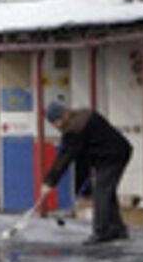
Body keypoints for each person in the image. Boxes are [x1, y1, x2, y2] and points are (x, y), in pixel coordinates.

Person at [41, 100, 132, 245]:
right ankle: (117, 228)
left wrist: (49, 182)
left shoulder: (75, 128)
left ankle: (101, 231)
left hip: (113, 155)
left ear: (63, 115)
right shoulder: (82, 115)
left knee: (101, 191)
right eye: (52, 123)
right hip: (114, 152)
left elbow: (65, 157)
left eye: (55, 121)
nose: (55, 125)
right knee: (107, 190)